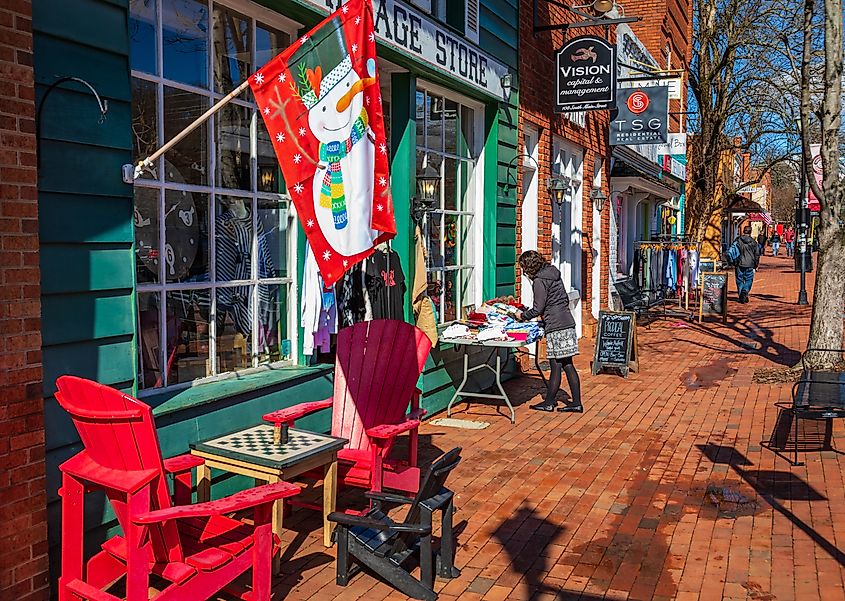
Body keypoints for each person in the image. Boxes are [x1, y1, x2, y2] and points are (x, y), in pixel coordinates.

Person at [516, 250, 582, 413]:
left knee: (556, 365)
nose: (524, 272)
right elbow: (562, 299)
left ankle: (549, 402)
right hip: (567, 322)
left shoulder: (539, 280)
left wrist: (522, 316)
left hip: (556, 326)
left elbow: (538, 307)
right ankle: (576, 402)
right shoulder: (553, 274)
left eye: (523, 268)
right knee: (567, 364)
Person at [734, 225, 761, 303]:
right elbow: (757, 254)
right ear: (750, 232)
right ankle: (745, 291)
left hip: (739, 263)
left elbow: (733, 250)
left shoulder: (737, 240)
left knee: (739, 280)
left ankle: (741, 295)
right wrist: (756, 264)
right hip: (750, 263)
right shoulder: (753, 242)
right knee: (749, 279)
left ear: (743, 231)